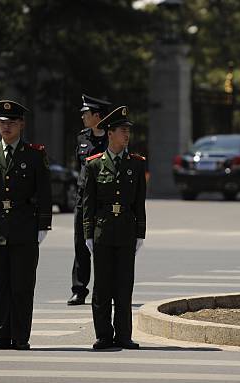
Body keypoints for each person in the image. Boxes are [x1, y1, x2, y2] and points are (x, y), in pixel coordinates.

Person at [0, 100, 52, 350]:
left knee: (22, 286)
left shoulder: (35, 154)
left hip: (24, 227)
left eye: (11, 122)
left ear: (21, 125)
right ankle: (0, 334)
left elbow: (45, 192)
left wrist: (43, 225)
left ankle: (20, 337)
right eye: (2, 122)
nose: (6, 127)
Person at [82, 105, 146, 350]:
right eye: (121, 130)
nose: (126, 134)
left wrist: (140, 232)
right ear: (109, 133)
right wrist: (88, 233)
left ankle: (123, 335)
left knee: (124, 285)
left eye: (127, 130)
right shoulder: (94, 165)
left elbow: (139, 202)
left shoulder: (136, 164)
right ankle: (103, 335)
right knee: (102, 287)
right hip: (103, 231)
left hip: (126, 231)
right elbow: (88, 203)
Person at [68, 94, 113, 306]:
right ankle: (79, 289)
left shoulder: (112, 138)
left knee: (103, 244)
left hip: (103, 198)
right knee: (80, 244)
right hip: (83, 198)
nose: (83, 117)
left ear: (97, 115)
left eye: (86, 113)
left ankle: (105, 288)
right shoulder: (82, 138)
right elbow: (81, 168)